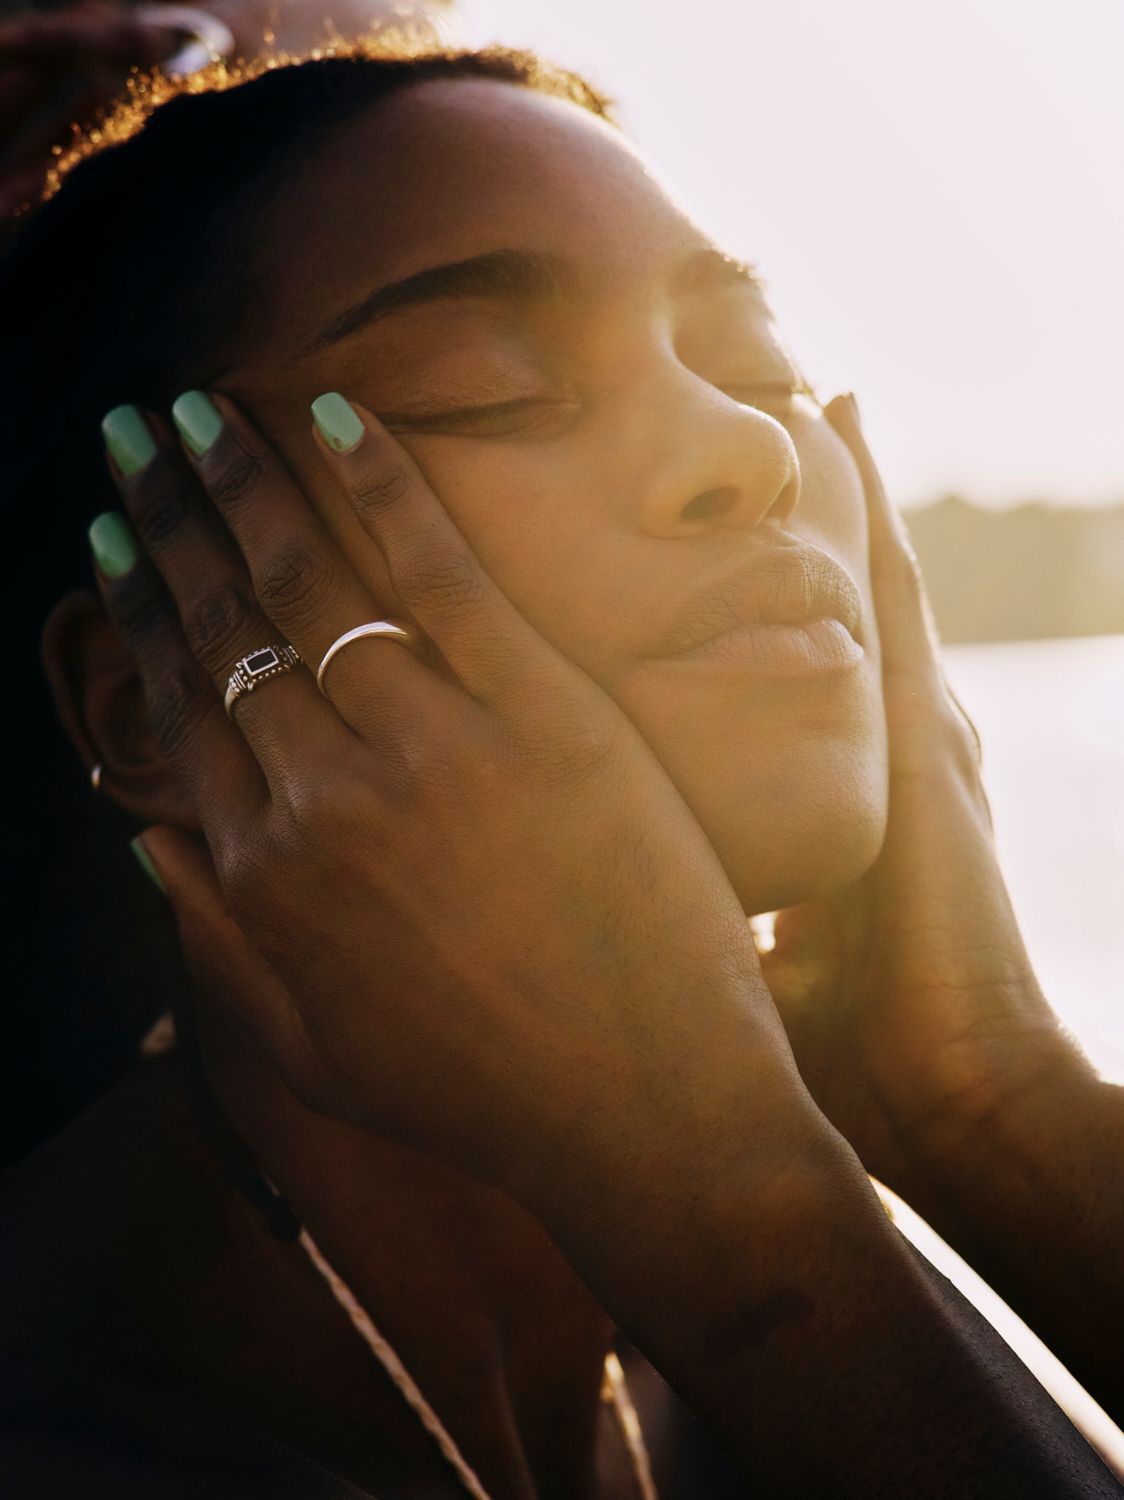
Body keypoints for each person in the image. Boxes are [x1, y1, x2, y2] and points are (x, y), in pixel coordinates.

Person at [1, 36, 1121, 1498]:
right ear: (152, 700)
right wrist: (730, 1210)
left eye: (755, 367)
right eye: (485, 392)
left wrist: (996, 1100)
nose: (746, 449)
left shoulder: (846, 1279)